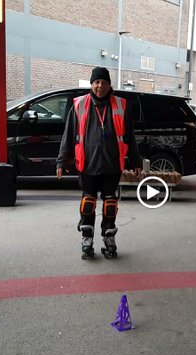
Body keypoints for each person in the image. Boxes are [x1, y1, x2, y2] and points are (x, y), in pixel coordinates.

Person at [56, 67, 142, 260]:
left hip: (112, 165)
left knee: (110, 204)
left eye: (103, 82)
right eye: (96, 82)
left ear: (109, 84)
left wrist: (136, 161)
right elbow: (68, 135)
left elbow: (130, 136)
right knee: (88, 203)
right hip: (87, 164)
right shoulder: (79, 105)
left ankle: (109, 239)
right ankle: (87, 240)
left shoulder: (120, 105)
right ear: (91, 84)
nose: (100, 86)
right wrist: (61, 160)